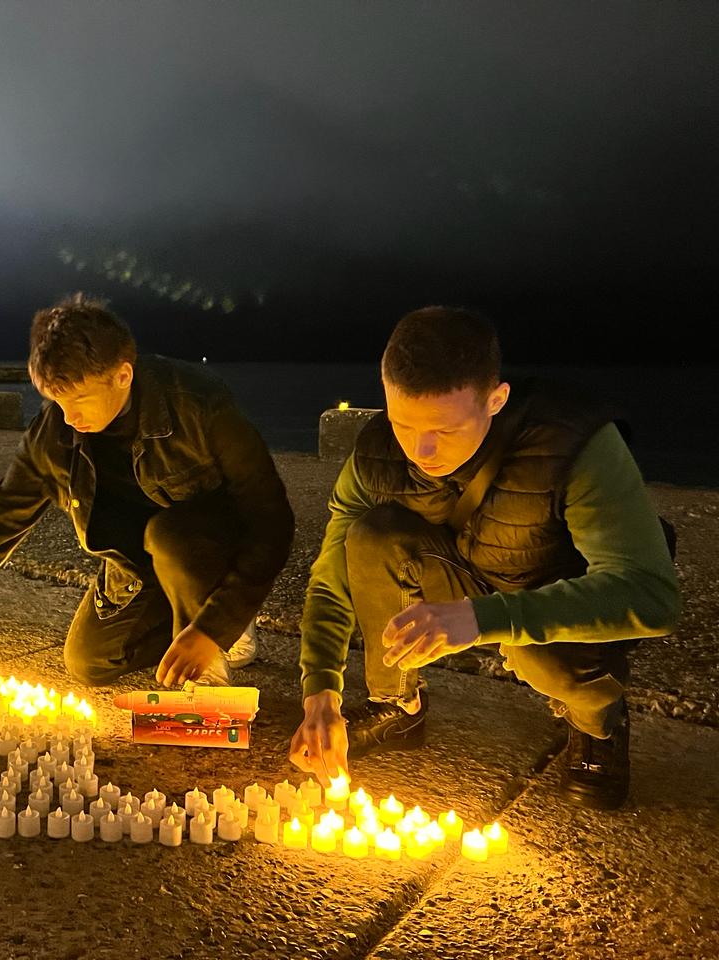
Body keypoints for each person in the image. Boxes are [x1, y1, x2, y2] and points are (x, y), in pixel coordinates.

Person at [288, 306, 679, 809]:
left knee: (549, 655)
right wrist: (321, 691)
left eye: (446, 430)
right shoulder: (376, 452)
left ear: (496, 400)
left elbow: (651, 594)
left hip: (551, 593)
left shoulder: (572, 442)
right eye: (404, 423)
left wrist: (485, 617)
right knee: (369, 536)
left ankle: (597, 723)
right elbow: (331, 576)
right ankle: (398, 705)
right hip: (464, 570)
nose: (421, 450)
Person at [0, 294, 294, 688]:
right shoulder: (54, 433)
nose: (69, 417)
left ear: (122, 376)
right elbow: (1, 515)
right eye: (57, 401)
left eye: (79, 398)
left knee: (168, 537)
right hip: (135, 569)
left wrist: (213, 627)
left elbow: (271, 519)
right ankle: (187, 626)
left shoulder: (198, 405)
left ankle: (223, 623)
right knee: (90, 662)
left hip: (203, 549)